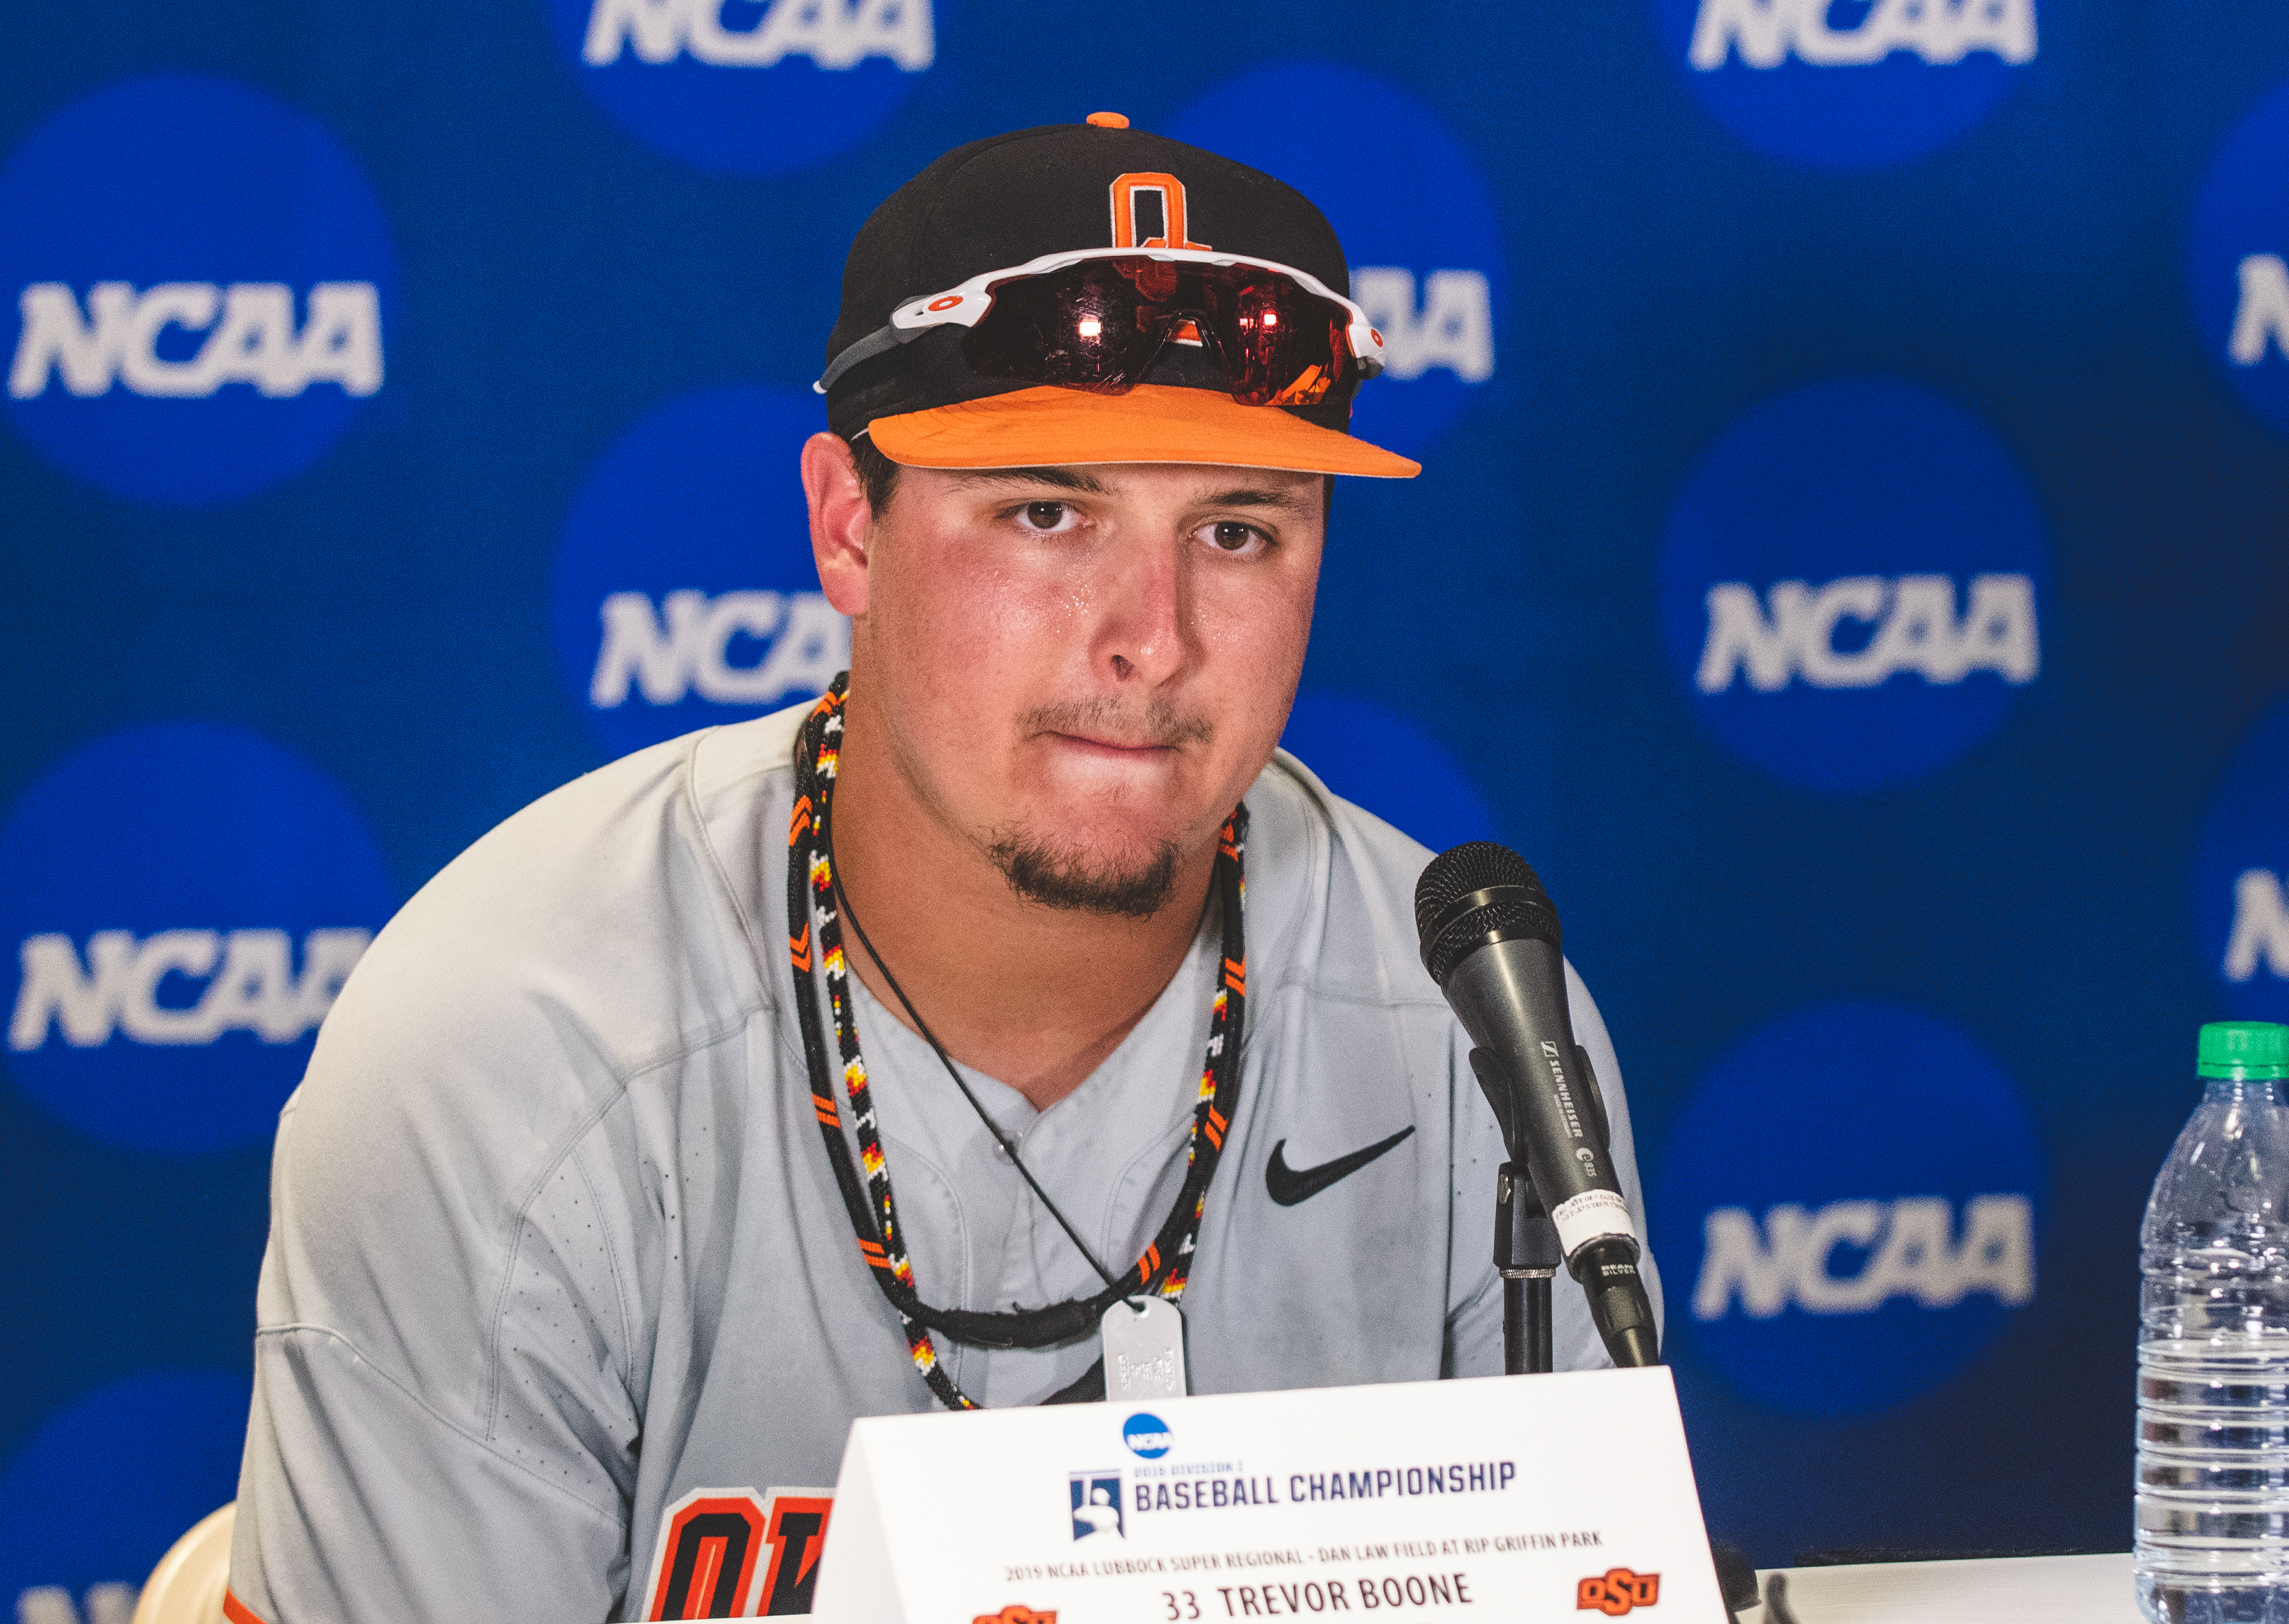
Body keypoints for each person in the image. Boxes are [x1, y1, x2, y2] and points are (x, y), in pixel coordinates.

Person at [226, 113, 1661, 1623]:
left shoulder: (1470, 1027)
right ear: (849, 529)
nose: (1153, 638)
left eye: (1236, 532)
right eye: (1047, 514)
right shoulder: (505, 1052)